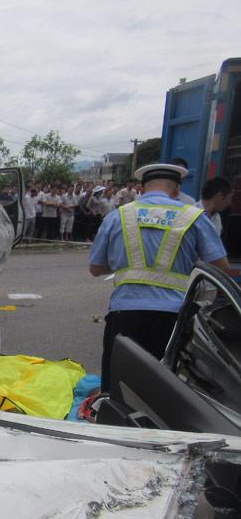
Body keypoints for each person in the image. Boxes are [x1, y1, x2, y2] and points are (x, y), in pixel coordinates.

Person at [89, 163, 230, 392]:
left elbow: (95, 268)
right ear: (176, 190)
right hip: (174, 318)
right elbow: (220, 266)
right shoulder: (194, 217)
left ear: (142, 189)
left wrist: (122, 264)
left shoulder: (118, 216)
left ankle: (116, 423)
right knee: (167, 389)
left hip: (125, 313)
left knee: (118, 385)